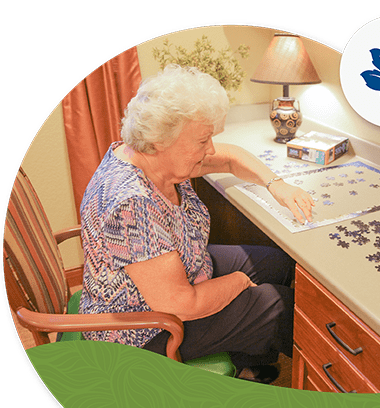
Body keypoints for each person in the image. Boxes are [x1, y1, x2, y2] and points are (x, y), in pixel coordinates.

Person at [79, 64, 314, 383]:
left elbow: (231, 157)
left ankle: (247, 366)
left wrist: (277, 184)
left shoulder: (155, 156)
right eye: (203, 141)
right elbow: (182, 304)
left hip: (178, 273)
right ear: (160, 139)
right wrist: (239, 282)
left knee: (279, 263)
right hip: (143, 331)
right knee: (280, 307)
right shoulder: (131, 202)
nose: (211, 150)